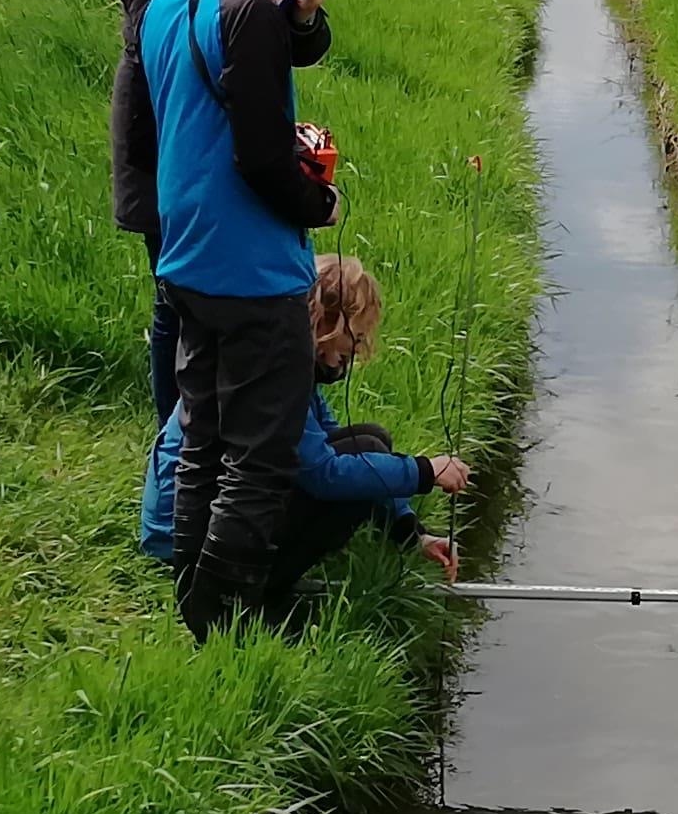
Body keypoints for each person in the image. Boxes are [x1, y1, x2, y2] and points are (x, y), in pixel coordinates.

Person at [143, 0, 344, 635]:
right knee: (259, 459)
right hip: (252, 266)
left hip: (184, 253)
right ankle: (219, 620)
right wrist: (316, 206)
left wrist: (294, 17)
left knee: (203, 444)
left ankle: (192, 605)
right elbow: (262, 157)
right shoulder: (248, 13)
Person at [104, 0, 320, 424]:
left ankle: (205, 439)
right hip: (167, 138)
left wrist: (296, 16)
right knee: (177, 301)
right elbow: (165, 51)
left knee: (204, 301)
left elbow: (275, 44)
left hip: (218, 135)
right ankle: (177, 439)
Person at [136, 256, 473, 600]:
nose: (356, 351)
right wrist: (424, 471)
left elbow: (331, 441)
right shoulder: (275, 373)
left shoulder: (283, 353)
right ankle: (255, 589)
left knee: (371, 440)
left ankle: (258, 570)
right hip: (185, 540)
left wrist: (411, 532)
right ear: (323, 323)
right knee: (359, 463)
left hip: (202, 517)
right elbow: (324, 474)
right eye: (354, 337)